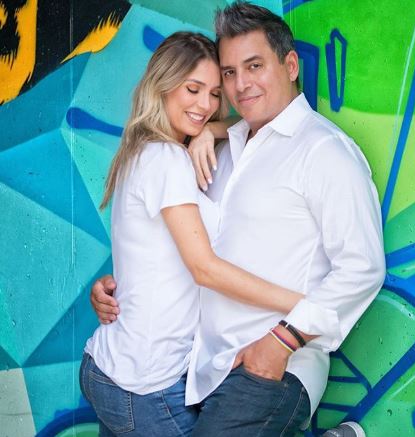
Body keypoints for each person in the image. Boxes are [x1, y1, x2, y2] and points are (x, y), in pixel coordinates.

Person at [91, 2, 386, 436]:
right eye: (229, 72)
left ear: (290, 65)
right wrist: (122, 285)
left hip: (273, 364)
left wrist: (283, 340)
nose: (240, 84)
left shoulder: (325, 152)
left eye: (254, 66)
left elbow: (363, 267)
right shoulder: (221, 147)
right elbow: (173, 243)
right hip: (199, 367)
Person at [80, 30, 313, 437]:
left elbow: (260, 119)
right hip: (144, 385)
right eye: (193, 89)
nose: (205, 105)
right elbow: (204, 268)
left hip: (110, 365)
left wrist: (213, 130)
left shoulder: (141, 150)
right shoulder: (166, 158)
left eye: (214, 94)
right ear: (163, 84)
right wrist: (304, 306)